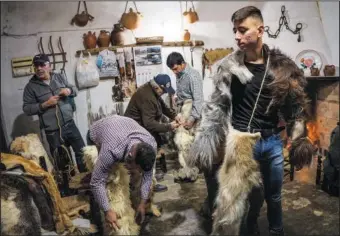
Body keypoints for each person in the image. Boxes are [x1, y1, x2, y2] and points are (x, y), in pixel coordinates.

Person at [189, 6, 313, 236]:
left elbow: (295, 108)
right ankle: (247, 226)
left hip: (272, 142)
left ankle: (275, 230)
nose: (237, 36)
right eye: (235, 30)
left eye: (243, 30)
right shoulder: (229, 68)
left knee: (273, 195)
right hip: (241, 142)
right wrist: (206, 142)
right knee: (238, 197)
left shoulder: (282, 69)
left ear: (260, 30)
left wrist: (297, 139)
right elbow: (216, 107)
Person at [87, 115, 157, 230]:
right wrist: (107, 210)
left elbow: (147, 176)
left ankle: (133, 206)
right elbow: (96, 182)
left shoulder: (151, 144)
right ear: (130, 158)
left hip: (121, 127)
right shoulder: (111, 151)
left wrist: (142, 203)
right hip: (97, 133)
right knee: (108, 181)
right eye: (138, 168)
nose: (140, 172)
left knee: (131, 177)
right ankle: (98, 220)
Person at [23, 54, 87, 176]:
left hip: (69, 124)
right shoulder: (30, 87)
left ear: (49, 66)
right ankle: (70, 189)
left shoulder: (59, 77)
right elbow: (27, 109)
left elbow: (74, 89)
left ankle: (86, 181)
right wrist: (45, 104)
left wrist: (68, 91)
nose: (39, 68)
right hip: (53, 131)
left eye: (42, 65)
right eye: (36, 66)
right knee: (63, 161)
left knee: (82, 153)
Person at [124, 74, 180, 192]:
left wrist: (175, 116)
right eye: (163, 90)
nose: (164, 93)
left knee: (155, 145)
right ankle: (148, 185)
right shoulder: (147, 96)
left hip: (141, 128)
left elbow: (163, 107)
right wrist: (169, 126)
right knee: (149, 152)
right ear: (157, 87)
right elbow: (149, 123)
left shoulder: (153, 91)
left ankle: (149, 180)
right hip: (134, 130)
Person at [166, 52, 203, 130]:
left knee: (188, 138)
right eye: (172, 70)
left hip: (190, 111)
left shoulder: (193, 76)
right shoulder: (179, 73)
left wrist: (192, 119)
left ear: (182, 63)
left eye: (175, 69)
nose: (174, 72)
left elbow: (198, 99)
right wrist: (177, 97)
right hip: (182, 110)